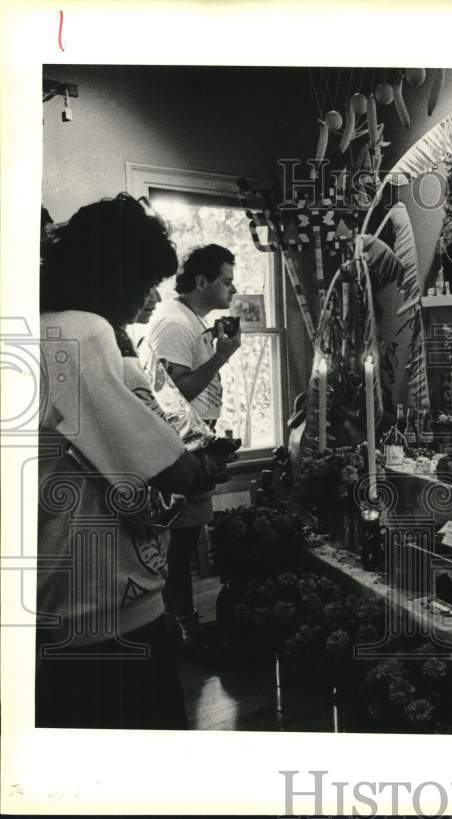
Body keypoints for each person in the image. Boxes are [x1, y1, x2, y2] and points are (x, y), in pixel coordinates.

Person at [37, 193, 230, 729]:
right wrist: (198, 469)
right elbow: (167, 468)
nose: (147, 297)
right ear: (113, 274)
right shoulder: (80, 332)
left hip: (60, 595)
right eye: (143, 281)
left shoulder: (45, 325)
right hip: (99, 602)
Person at [147, 243, 240, 651]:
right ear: (201, 281)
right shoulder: (174, 323)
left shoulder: (191, 320)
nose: (232, 289)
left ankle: (181, 622)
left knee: (186, 542)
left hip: (198, 443)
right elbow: (175, 392)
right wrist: (221, 357)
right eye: (226, 280)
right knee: (180, 546)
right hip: (181, 448)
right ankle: (186, 628)